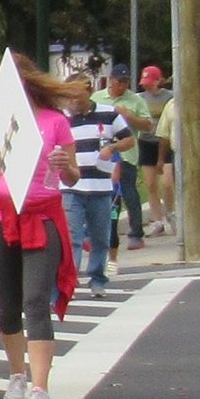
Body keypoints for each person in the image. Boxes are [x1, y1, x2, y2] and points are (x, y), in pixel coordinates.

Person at [0, 55, 82, 399]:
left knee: (36, 300)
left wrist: (67, 169)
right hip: (1, 218)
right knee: (7, 303)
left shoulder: (55, 122)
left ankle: (40, 387)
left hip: (41, 216)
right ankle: (17, 372)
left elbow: (72, 176)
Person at [65, 72, 128, 295]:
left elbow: (129, 139)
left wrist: (113, 148)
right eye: (70, 96)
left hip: (100, 185)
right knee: (73, 237)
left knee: (100, 236)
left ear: (89, 91)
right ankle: (70, 280)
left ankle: (97, 278)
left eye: (78, 96)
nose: (74, 102)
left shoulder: (109, 114)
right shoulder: (62, 118)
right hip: (71, 187)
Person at [109, 68, 153, 249]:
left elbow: (148, 125)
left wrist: (129, 116)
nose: (122, 85)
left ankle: (136, 232)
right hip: (104, 156)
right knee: (111, 197)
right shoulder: (97, 98)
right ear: (111, 80)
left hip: (127, 154)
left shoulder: (135, 100)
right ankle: (110, 234)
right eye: (119, 81)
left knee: (129, 193)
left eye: (126, 82)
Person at [137, 64, 173, 235]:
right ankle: (158, 220)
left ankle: (171, 213)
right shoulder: (140, 98)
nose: (147, 85)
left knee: (167, 182)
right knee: (151, 184)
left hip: (165, 141)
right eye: (145, 82)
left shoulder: (170, 97)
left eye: (150, 81)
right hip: (146, 141)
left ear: (159, 81)